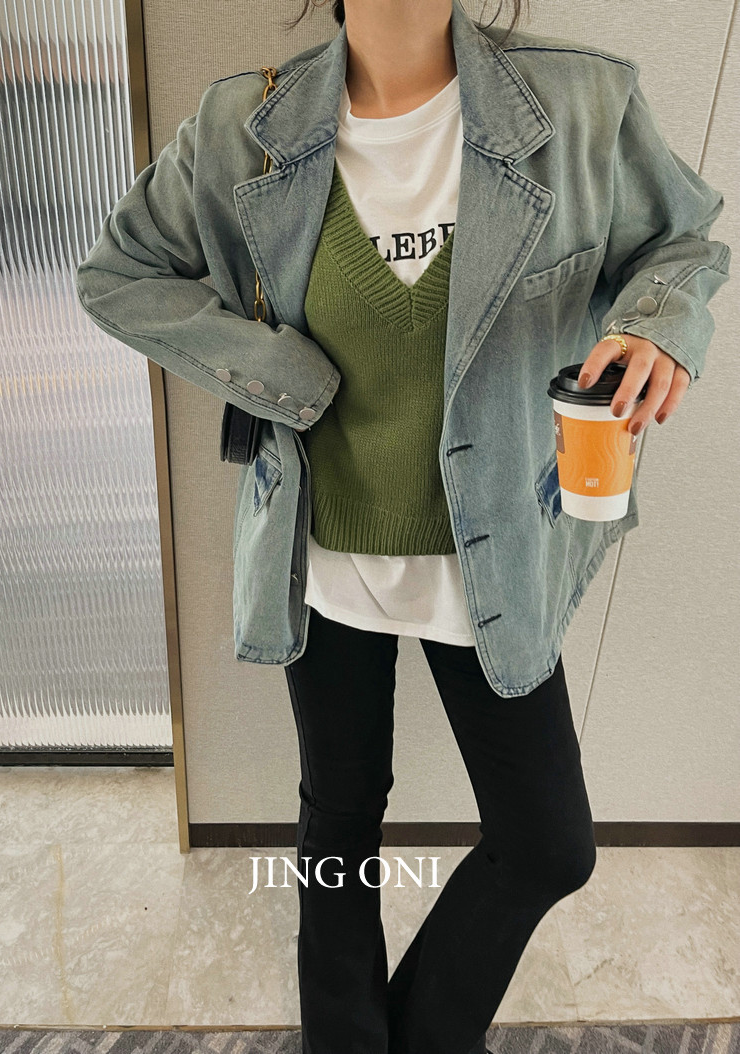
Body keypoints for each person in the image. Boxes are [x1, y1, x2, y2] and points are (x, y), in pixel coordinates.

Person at [75, 0, 731, 1051]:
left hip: (495, 555)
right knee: (338, 817)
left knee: (546, 843)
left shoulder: (578, 103)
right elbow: (118, 275)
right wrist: (274, 371)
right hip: (320, 552)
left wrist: (658, 326)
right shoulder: (245, 128)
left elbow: (680, 243)